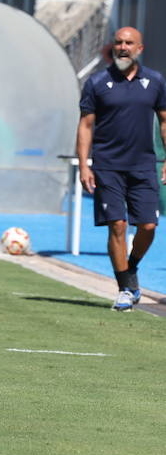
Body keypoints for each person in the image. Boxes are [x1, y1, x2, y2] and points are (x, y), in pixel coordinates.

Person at [77, 26, 166, 311]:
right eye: (118, 42)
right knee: (117, 225)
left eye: (129, 43)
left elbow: (165, 121)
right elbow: (85, 125)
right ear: (112, 47)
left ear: (140, 48)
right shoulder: (97, 82)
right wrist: (84, 165)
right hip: (108, 166)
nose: (123, 47)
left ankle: (131, 267)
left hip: (143, 166)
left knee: (149, 226)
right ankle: (125, 289)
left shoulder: (154, 81)